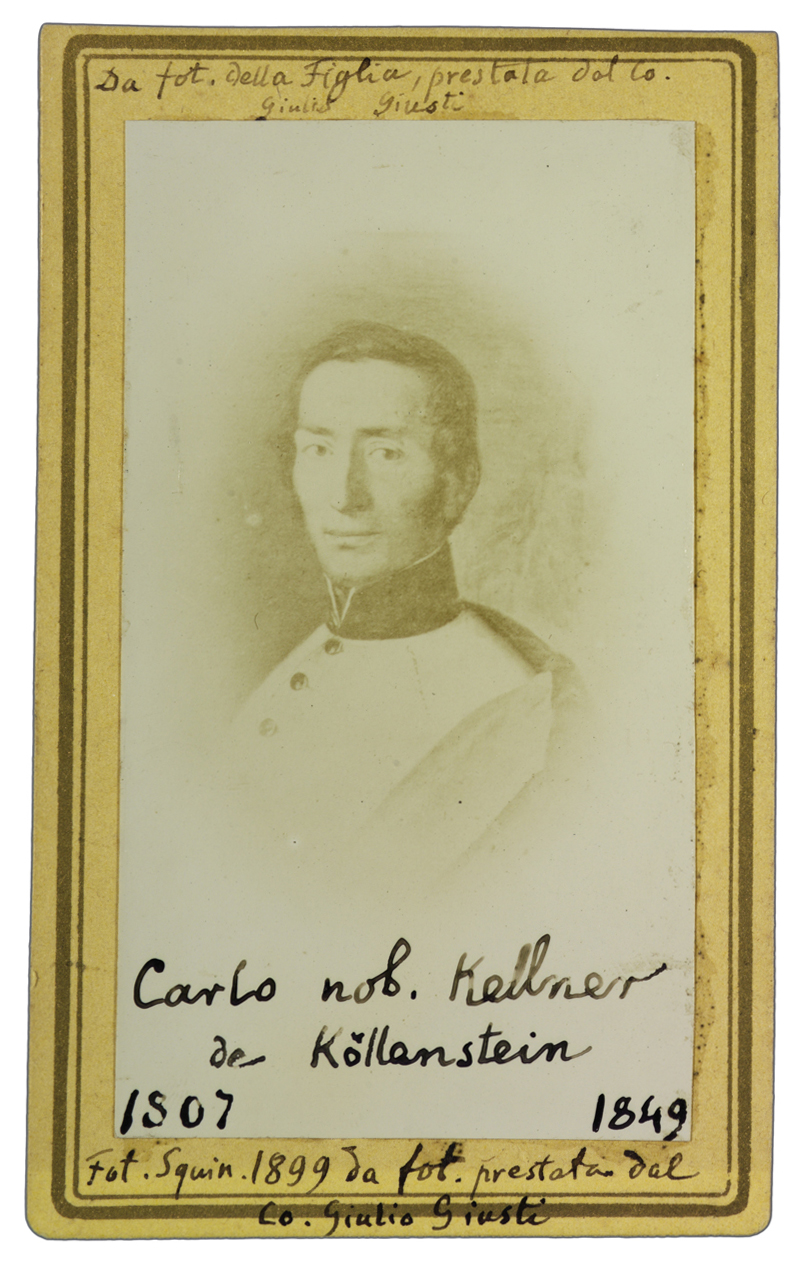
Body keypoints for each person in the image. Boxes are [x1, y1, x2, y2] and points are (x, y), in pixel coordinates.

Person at [230, 322, 578, 868]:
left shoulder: (512, 700)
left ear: (457, 484)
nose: (344, 496)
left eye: (385, 453)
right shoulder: (289, 661)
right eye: (318, 448)